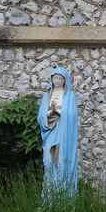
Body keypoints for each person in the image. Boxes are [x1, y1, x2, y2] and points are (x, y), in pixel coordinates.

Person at [36, 67, 79, 198]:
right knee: (49, 161)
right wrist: (51, 112)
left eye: (60, 78)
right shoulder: (47, 95)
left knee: (61, 160)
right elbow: (41, 116)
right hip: (51, 130)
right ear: (52, 79)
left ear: (64, 80)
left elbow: (72, 115)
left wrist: (58, 110)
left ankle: (64, 197)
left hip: (64, 131)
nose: (58, 81)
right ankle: (50, 197)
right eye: (55, 78)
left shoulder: (69, 95)